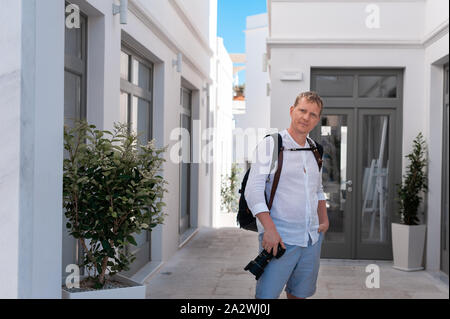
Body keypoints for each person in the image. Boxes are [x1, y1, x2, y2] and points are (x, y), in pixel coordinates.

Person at [244, 91, 329, 299]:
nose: (306, 117)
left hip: (311, 238)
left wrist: (324, 220)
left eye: (312, 114)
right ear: (292, 111)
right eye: (302, 110)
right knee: (266, 297)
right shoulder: (272, 145)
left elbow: (317, 189)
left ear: (317, 120)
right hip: (280, 237)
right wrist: (270, 230)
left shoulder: (315, 150)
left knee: (299, 294)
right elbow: (252, 191)